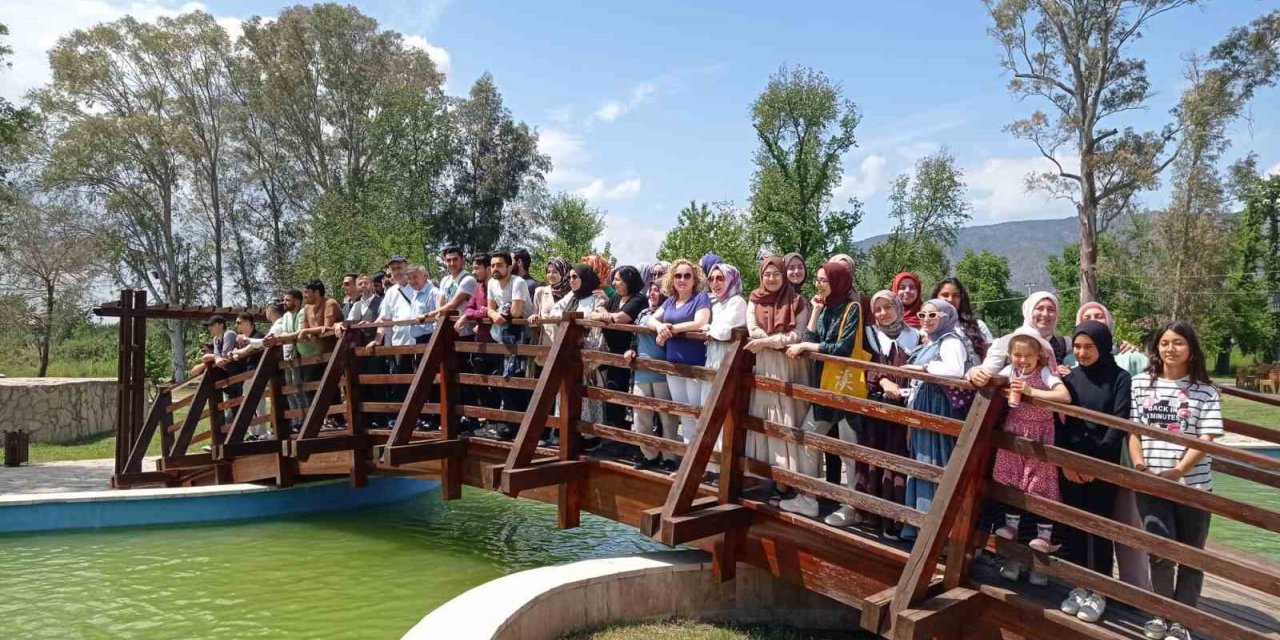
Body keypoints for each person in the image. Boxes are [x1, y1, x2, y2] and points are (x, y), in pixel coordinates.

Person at [1129, 322, 1222, 640]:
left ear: (1191, 349)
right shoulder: (1141, 383)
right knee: (1159, 550)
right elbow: (1133, 430)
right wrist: (1140, 465)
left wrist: (1179, 470)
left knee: (1192, 555)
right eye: (1164, 343)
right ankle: (1160, 615)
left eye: (1178, 342)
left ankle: (1182, 621)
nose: (1170, 348)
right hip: (1152, 483)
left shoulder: (1206, 391)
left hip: (1193, 486)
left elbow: (1207, 438)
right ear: (1156, 348)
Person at [1057, 320, 1133, 624]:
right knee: (1075, 525)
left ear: (1102, 346)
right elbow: (1061, 421)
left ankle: (1100, 590)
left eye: (1089, 346)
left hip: (1102, 464)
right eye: (1077, 346)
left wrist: (1094, 464)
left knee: (1099, 528)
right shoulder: (1070, 378)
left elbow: (1119, 422)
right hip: (1072, 463)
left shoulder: (1119, 378)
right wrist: (1067, 462)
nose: (1082, 352)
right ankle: (1079, 586)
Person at [832, 290, 919, 534]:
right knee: (873, 458)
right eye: (878, 309)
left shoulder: (916, 336)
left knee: (896, 458)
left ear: (897, 308)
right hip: (877, 404)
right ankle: (869, 515)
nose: (883, 313)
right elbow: (867, 365)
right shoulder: (871, 335)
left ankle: (893, 520)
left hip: (903, 407)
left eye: (887, 307)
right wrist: (882, 382)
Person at [783, 260, 864, 518]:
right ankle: (809, 497)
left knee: (847, 451)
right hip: (823, 387)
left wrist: (809, 348)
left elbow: (842, 348)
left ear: (837, 282)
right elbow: (809, 340)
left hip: (845, 388)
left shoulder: (852, 309)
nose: (818, 285)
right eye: (817, 280)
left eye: (823, 280)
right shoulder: (825, 308)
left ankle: (851, 507)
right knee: (807, 437)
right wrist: (816, 313)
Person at [991, 329, 1070, 584]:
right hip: (1014, 434)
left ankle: (1043, 539)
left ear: (1039, 357)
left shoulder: (1044, 373)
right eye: (1017, 355)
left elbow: (1063, 396)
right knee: (1013, 483)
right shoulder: (1010, 371)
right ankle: (1012, 531)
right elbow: (992, 379)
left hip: (1039, 438)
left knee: (1039, 487)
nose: (1022, 360)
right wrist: (978, 375)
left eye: (1028, 355)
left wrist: (1031, 392)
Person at [901, 299, 980, 540]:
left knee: (935, 458)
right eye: (922, 314)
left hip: (939, 407)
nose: (925, 319)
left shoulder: (951, 341)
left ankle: (936, 529)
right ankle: (919, 523)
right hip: (925, 404)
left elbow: (954, 370)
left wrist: (923, 369)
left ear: (945, 317)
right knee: (921, 457)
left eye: (932, 315)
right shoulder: (932, 340)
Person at [744, 256, 811, 481]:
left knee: (788, 417)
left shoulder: (798, 302)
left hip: (789, 365)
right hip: (763, 364)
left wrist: (767, 342)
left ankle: (789, 478)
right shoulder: (754, 299)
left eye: (776, 274)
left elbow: (797, 335)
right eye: (767, 274)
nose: (771, 278)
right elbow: (752, 328)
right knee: (765, 415)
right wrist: (767, 339)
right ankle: (765, 474)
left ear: (783, 276)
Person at [648, 259, 712, 450]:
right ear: (672, 279)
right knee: (683, 414)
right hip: (673, 365)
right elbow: (651, 319)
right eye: (678, 275)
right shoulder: (669, 301)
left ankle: (702, 464)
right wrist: (661, 327)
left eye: (687, 276)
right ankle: (686, 460)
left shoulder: (700, 298)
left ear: (695, 279)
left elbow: (700, 322)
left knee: (696, 413)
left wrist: (672, 329)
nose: (682, 279)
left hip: (694, 366)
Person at [370, 265, 437, 428]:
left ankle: (428, 417)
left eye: (400, 267)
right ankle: (401, 417)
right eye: (393, 269)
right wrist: (377, 340)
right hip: (401, 344)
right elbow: (385, 319)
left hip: (422, 341)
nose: (397, 272)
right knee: (401, 382)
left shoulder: (423, 288)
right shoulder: (391, 292)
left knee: (426, 381)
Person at [625, 281, 681, 471]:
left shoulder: (671, 314)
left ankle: (669, 457)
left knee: (667, 419)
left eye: (657, 291)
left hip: (662, 371)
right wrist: (631, 351)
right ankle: (649, 454)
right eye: (651, 291)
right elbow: (634, 337)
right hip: (641, 371)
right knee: (641, 417)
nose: (653, 294)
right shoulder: (642, 314)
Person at [969, 291, 1068, 386]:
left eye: (1051, 309)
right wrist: (974, 373)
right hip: (1011, 402)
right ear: (1028, 311)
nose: (1045, 314)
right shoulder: (1007, 342)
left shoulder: (1063, 344)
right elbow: (987, 371)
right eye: (1039, 308)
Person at [592, 266, 648, 429]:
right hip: (613, 353)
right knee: (612, 394)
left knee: (626, 397)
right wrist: (604, 313)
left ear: (628, 281)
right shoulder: (616, 298)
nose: (614, 283)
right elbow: (597, 312)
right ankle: (614, 435)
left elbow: (622, 318)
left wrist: (607, 316)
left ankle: (625, 438)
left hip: (630, 354)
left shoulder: (639, 299)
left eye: (618, 280)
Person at [488, 252, 532, 436]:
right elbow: (489, 308)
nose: (495, 269)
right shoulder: (491, 283)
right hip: (501, 338)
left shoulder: (518, 282)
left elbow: (515, 312)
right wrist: (493, 314)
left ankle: (522, 426)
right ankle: (511, 425)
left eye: (499, 265)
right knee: (502, 380)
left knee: (519, 381)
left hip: (523, 337)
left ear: (508, 267)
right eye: (492, 265)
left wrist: (499, 313)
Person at [459, 254, 501, 428]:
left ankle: (499, 419)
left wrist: (481, 312)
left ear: (488, 269)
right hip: (481, 341)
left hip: (497, 341)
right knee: (479, 380)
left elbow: (492, 310)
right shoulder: (478, 288)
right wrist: (478, 312)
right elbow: (470, 308)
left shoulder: (496, 286)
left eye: (477, 268)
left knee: (499, 382)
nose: (474, 272)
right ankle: (490, 417)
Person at [527, 258, 572, 365]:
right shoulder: (541, 292)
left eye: (555, 272)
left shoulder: (572, 294)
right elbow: (536, 314)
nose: (551, 275)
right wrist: (534, 318)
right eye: (548, 272)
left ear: (564, 273)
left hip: (568, 344)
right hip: (547, 344)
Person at [931, 278, 994, 354]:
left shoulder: (978, 325)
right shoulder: (927, 327)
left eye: (956, 296)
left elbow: (991, 359)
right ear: (936, 297)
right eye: (945, 295)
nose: (950, 299)